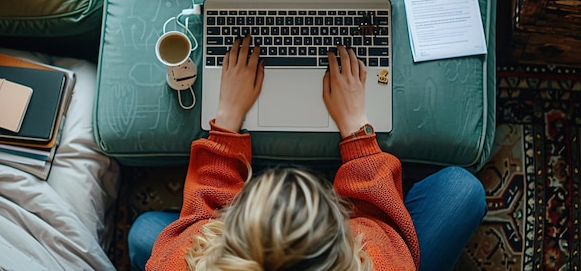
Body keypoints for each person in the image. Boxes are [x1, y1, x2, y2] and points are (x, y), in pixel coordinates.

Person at [128, 35, 487, 271]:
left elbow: (195, 225)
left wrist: (226, 122)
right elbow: (381, 225)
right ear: (344, 244)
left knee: (145, 234)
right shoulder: (382, 262)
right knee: (463, 191)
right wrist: (356, 130)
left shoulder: (174, 264)